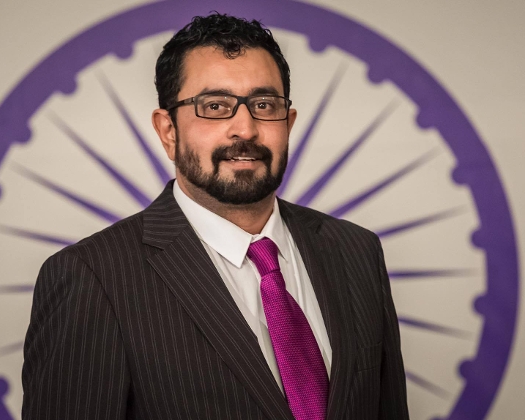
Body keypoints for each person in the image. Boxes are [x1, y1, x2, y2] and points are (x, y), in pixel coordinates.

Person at [22, 13, 409, 420]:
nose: (245, 129)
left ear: (288, 123)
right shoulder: (92, 276)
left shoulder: (357, 251)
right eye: (215, 106)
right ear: (168, 131)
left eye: (264, 105)